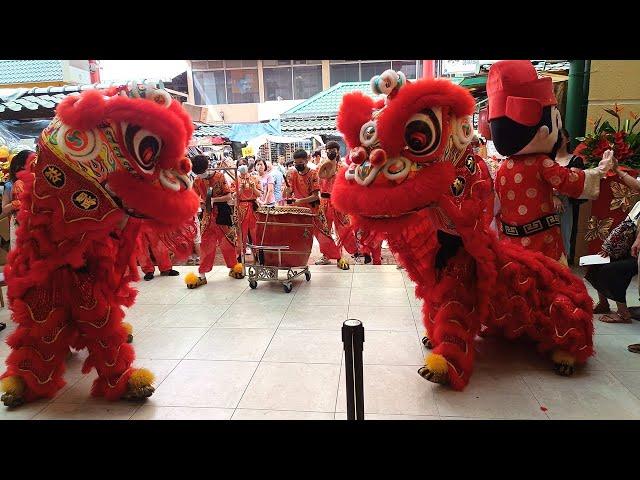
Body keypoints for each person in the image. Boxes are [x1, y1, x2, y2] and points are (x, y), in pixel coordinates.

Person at [487, 60, 613, 265]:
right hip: (541, 242)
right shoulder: (541, 163)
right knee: (548, 286)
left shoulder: (503, 167)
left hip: (509, 242)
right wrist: (599, 171)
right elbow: (570, 182)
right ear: (544, 130)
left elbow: (496, 205)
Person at [285, 149, 349, 270]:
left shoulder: (314, 173)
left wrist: (299, 201)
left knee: (324, 235)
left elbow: (315, 196)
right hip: (299, 212)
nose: (298, 165)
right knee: (297, 237)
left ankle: (338, 257)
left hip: (314, 210)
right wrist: (287, 188)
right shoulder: (293, 174)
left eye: (300, 162)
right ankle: (295, 260)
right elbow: (288, 193)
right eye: (295, 163)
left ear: (306, 160)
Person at [189, 155, 242, 288]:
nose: (200, 176)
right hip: (207, 217)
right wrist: (200, 203)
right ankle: (202, 274)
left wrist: (213, 200)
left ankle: (234, 267)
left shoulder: (219, 176)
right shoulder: (196, 180)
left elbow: (229, 195)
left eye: (201, 172)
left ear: (207, 167)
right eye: (198, 173)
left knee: (229, 242)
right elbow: (193, 197)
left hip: (222, 215)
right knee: (206, 245)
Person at [316, 141, 357, 264]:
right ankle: (326, 255)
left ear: (338, 151)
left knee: (343, 228)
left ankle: (345, 254)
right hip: (324, 201)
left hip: (338, 201)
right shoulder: (320, 167)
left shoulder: (343, 167)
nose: (331, 152)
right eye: (328, 150)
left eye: (333, 149)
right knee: (324, 230)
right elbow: (318, 183)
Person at [553, 128, 586, 258]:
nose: (558, 139)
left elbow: (572, 183)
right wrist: (552, 196)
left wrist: (557, 194)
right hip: (547, 200)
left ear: (568, 139)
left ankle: (563, 263)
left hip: (566, 203)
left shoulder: (575, 160)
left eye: (561, 136)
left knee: (564, 234)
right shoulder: (546, 159)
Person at [0, 150, 34, 251]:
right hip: (17, 224)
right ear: (23, 165)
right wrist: (15, 204)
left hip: (34, 224)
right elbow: (5, 209)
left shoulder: (37, 181)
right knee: (19, 253)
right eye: (33, 160)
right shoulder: (10, 185)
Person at [231, 164, 261, 253]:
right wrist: (240, 189)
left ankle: (257, 253)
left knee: (255, 231)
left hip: (253, 207)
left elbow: (259, 194)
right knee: (241, 232)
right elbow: (233, 195)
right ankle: (241, 254)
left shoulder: (254, 178)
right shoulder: (236, 180)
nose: (244, 175)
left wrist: (254, 188)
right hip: (241, 207)